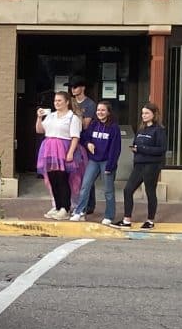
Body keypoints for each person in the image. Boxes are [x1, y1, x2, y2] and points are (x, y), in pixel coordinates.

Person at [35, 90, 86, 220]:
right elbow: (40, 130)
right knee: (52, 178)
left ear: (67, 102)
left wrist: (70, 153)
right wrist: (39, 118)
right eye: (55, 101)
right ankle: (57, 206)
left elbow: (75, 137)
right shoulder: (51, 116)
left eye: (59, 101)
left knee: (62, 178)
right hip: (49, 149)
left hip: (63, 148)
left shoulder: (72, 118)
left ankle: (65, 207)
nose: (56, 103)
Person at [116, 102, 167, 229]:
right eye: (143, 113)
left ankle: (150, 220)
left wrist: (142, 149)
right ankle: (127, 220)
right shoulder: (141, 129)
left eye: (147, 113)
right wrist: (135, 149)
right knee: (128, 190)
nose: (144, 115)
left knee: (150, 192)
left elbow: (161, 149)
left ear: (154, 114)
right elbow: (136, 144)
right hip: (139, 164)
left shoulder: (159, 130)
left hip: (152, 165)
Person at [70, 100, 120, 223]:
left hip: (107, 162)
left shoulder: (114, 127)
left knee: (108, 190)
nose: (100, 112)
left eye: (103, 110)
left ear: (108, 112)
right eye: (98, 110)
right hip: (93, 160)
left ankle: (109, 216)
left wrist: (110, 166)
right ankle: (79, 211)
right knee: (85, 186)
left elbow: (115, 148)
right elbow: (84, 137)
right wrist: (88, 143)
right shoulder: (93, 124)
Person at [69, 76, 97, 213]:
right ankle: (73, 202)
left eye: (76, 87)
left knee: (86, 173)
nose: (73, 89)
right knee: (72, 173)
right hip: (70, 140)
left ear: (83, 88)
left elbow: (85, 125)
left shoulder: (90, 104)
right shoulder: (69, 102)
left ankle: (89, 204)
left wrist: (75, 118)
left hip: (84, 141)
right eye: (72, 87)